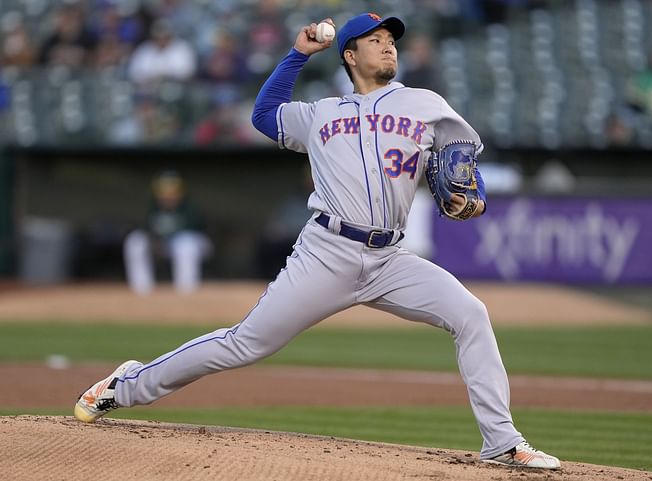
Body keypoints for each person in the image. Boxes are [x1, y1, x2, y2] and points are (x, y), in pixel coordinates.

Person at [74, 13, 560, 470]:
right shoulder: (321, 113)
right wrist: (297, 54)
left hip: (390, 257)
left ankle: (500, 443)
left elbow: (461, 156)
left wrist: (459, 181)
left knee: (470, 314)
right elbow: (265, 115)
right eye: (376, 40)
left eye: (392, 40)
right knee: (245, 344)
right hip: (326, 253)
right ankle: (127, 385)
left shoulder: (425, 103)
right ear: (349, 55)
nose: (388, 45)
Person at [123, 170, 212, 295]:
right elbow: (148, 229)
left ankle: (187, 291)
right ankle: (141, 291)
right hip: (165, 245)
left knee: (185, 244)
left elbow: (198, 230)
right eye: (164, 192)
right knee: (135, 241)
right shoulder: (153, 208)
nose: (168, 196)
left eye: (172, 192)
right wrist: (155, 240)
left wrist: (164, 237)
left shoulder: (190, 207)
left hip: (196, 246)